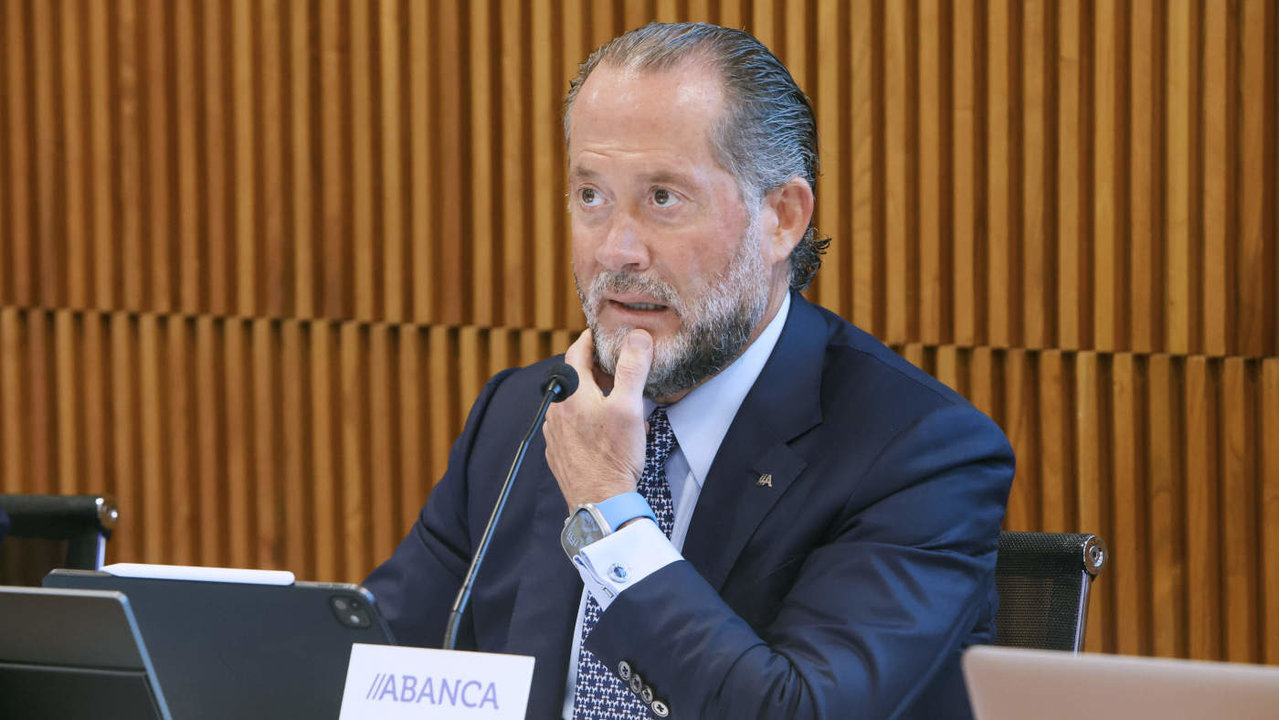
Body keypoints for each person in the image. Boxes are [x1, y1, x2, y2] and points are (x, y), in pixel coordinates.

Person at [366, 22, 1013, 720]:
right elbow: (379, 666)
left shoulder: (917, 453)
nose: (617, 249)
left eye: (663, 199)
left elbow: (796, 712)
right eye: (591, 196)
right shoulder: (527, 414)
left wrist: (611, 515)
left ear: (782, 218)